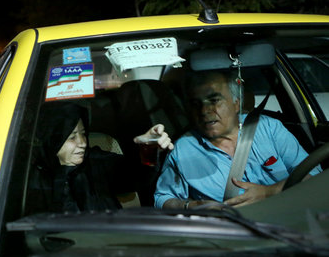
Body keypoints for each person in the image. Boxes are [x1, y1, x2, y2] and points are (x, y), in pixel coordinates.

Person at [154, 70, 321, 210]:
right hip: (233, 233)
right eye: (196, 104)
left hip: (290, 218)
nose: (204, 110)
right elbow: (162, 199)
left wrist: (269, 191)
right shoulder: (182, 150)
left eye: (214, 101)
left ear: (236, 103)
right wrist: (193, 206)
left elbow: (313, 175)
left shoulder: (269, 128)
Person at [26, 101, 173, 214]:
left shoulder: (95, 162)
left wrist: (147, 150)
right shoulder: (32, 179)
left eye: (83, 134)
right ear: (52, 140)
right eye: (71, 137)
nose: (82, 143)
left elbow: (131, 173)